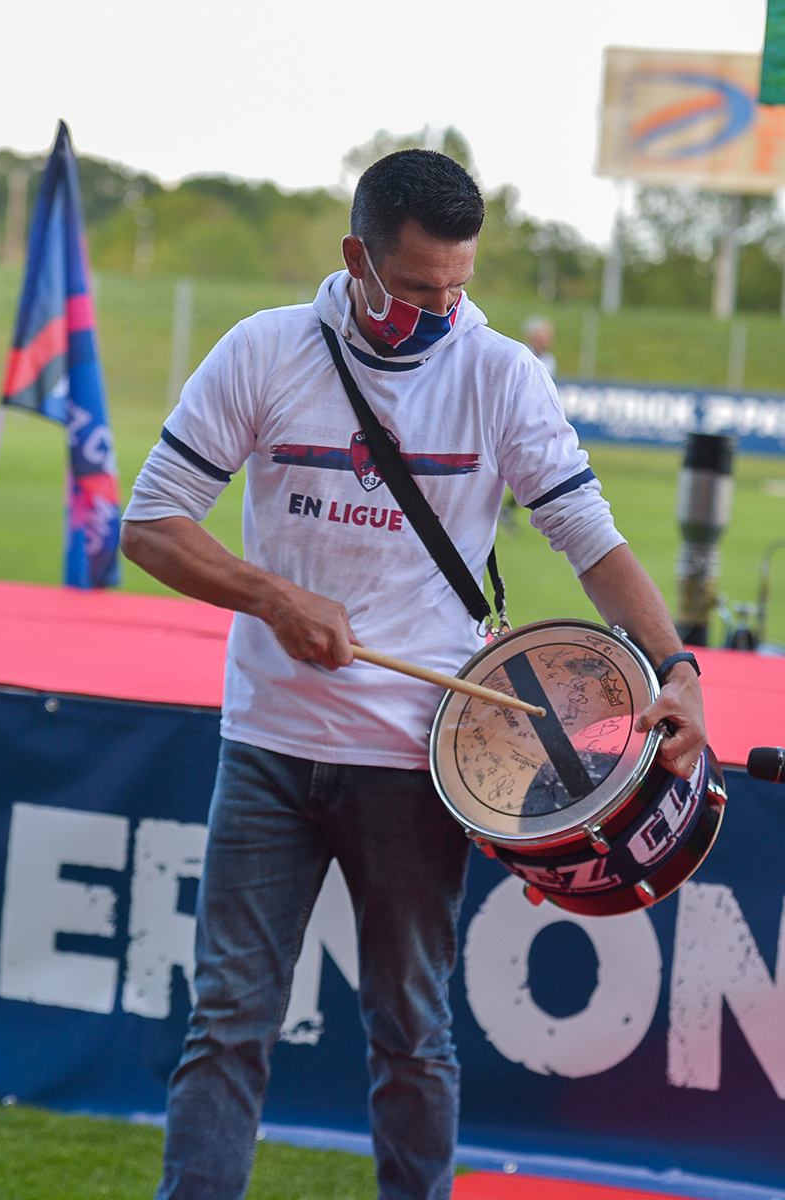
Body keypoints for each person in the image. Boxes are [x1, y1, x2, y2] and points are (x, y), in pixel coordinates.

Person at [119, 149, 707, 1200]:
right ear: (357, 258)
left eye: (459, 284)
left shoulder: (498, 373)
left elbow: (587, 535)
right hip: (266, 745)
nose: (442, 308)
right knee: (228, 1023)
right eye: (418, 286)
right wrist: (273, 598)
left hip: (419, 762)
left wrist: (676, 666)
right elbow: (151, 525)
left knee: (411, 1031)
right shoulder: (263, 352)